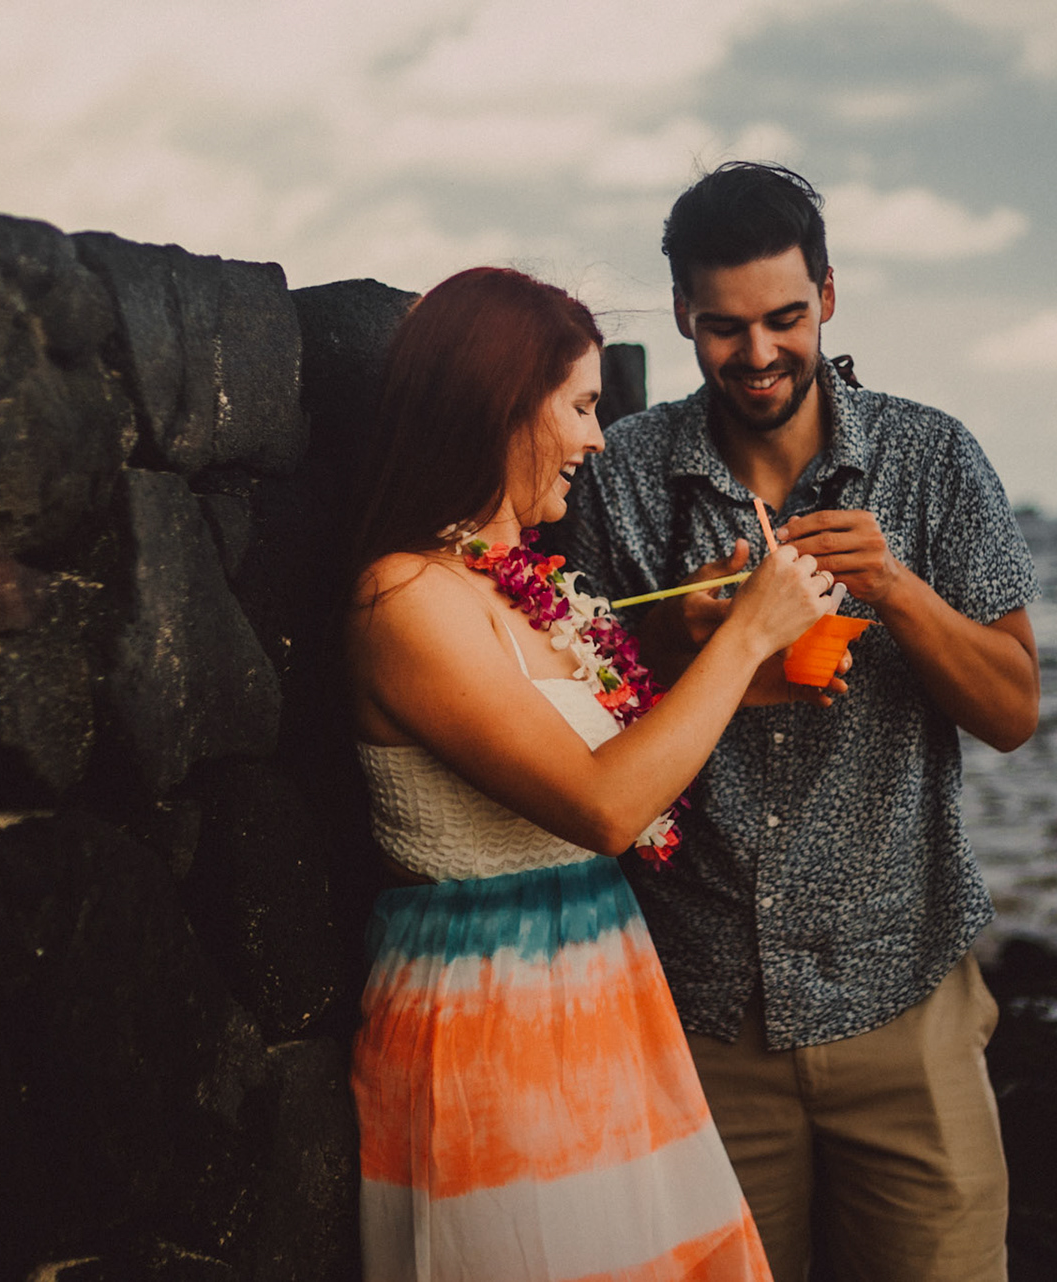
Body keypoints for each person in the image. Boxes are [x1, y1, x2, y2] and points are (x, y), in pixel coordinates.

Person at [549, 162, 1041, 1282]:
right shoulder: (618, 475)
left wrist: (902, 592)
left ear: (828, 294)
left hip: (904, 1004)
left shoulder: (935, 456)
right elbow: (576, 717)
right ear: (682, 314)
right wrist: (691, 641)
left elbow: (1014, 710)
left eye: (783, 317)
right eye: (724, 327)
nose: (759, 352)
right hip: (699, 1014)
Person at [345, 266, 846, 1282]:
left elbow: (609, 749)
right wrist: (746, 639)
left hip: (600, 994)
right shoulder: (403, 597)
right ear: (497, 404)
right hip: (489, 1022)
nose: (597, 438)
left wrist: (733, 669)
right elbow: (607, 804)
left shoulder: (517, 587)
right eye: (578, 405)